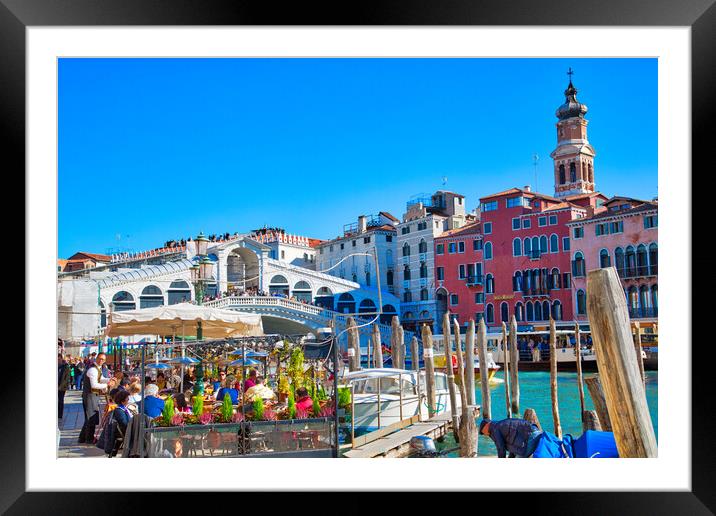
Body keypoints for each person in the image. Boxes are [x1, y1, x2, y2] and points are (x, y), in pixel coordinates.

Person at [78, 353, 116, 444]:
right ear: (96, 358)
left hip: (92, 395)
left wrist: (109, 379)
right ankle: (89, 439)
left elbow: (101, 378)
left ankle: (82, 438)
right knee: (91, 417)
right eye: (99, 358)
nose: (101, 360)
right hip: (90, 395)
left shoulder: (98, 368)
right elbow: (94, 384)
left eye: (103, 359)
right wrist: (107, 384)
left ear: (105, 360)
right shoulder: (92, 369)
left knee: (89, 417)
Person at [479, 418, 543, 458]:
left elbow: (501, 448)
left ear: (486, 425)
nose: (484, 434)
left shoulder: (495, 429)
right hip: (534, 431)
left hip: (530, 435)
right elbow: (513, 443)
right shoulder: (499, 425)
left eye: (483, 432)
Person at [58, 354, 71, 419]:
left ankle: (59, 415)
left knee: (60, 400)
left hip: (62, 387)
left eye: (58, 359)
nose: (57, 361)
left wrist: (60, 387)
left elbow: (66, 378)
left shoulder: (66, 367)